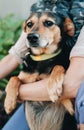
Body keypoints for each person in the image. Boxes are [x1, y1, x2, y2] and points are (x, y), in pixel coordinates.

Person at [0, 0, 84, 130]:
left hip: (70, 100)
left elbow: (71, 85)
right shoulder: (41, 10)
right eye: (30, 25)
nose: (35, 32)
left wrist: (14, 93)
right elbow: (13, 57)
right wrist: (13, 87)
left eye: (48, 23)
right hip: (37, 106)